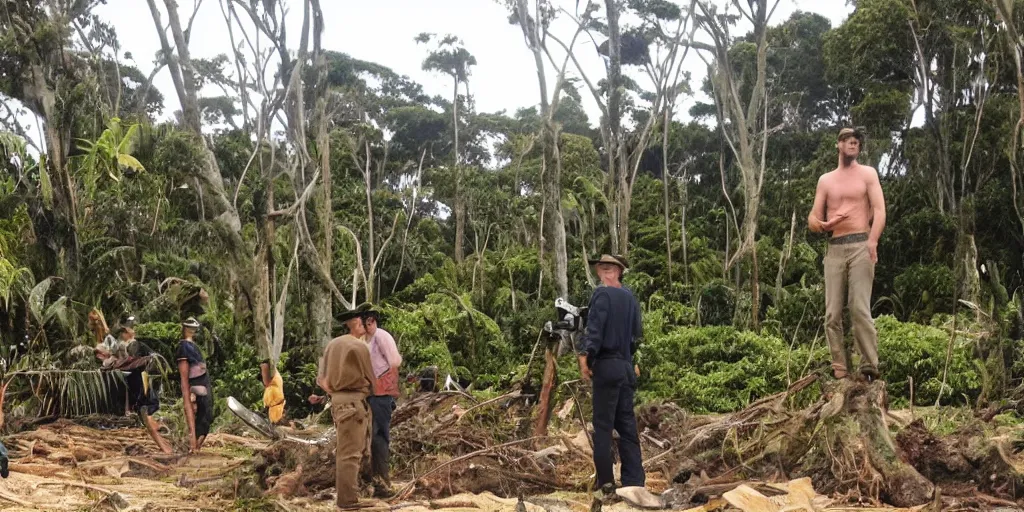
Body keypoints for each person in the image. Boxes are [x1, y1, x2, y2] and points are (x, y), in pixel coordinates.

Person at [808, 127, 887, 381]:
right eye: (848, 141)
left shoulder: (868, 174)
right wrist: (823, 225)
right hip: (835, 247)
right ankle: (840, 369)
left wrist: (873, 241)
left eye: (857, 142)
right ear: (838, 145)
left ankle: (869, 367)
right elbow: (813, 218)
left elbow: (880, 210)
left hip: (861, 245)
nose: (854, 145)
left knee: (859, 307)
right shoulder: (826, 180)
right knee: (832, 313)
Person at [578, 254, 645, 496]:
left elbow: (595, 330)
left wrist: (585, 355)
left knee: (603, 426)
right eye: (603, 268)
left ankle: (606, 483)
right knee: (627, 427)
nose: (604, 273)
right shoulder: (630, 299)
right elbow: (636, 334)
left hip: (607, 365)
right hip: (626, 367)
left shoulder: (602, 294)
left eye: (605, 269)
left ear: (611, 272)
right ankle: (634, 482)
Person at [317, 304, 376, 510]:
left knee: (346, 451)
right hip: (354, 402)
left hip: (338, 401)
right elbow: (372, 378)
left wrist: (334, 393)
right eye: (364, 322)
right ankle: (348, 501)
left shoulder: (331, 345)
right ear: (357, 324)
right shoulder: (359, 347)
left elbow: (320, 379)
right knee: (351, 453)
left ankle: (350, 495)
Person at [115, 316, 173, 454]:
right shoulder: (128, 345)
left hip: (139, 378)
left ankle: (162, 440)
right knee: (146, 406)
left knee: (148, 406)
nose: (132, 330)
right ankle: (162, 442)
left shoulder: (132, 345)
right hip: (137, 379)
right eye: (129, 328)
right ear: (125, 332)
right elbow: (132, 363)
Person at [362, 306, 401, 497]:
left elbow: (394, 362)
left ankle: (383, 481)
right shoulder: (365, 340)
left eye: (365, 322)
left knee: (379, 436)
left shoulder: (381, 336)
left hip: (381, 394)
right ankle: (373, 480)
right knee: (369, 437)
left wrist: (381, 385)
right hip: (370, 394)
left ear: (371, 321)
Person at [175, 317, 214, 453]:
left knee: (207, 413)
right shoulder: (183, 347)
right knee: (200, 411)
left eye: (194, 328)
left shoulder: (193, 346)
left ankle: (196, 444)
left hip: (203, 382)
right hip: (196, 384)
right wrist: (188, 392)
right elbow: (184, 377)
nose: (192, 330)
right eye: (189, 327)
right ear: (184, 328)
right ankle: (193, 443)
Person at [259, 359, 286, 424]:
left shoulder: (274, 380)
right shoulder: (272, 384)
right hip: (273, 408)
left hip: (276, 409)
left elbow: (266, 381)